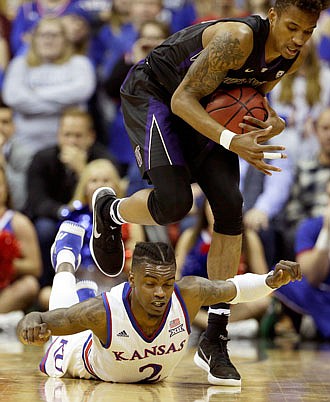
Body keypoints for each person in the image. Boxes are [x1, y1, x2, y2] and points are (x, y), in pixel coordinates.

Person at [89, 0, 326, 386]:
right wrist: (234, 140)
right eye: (293, 27)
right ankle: (110, 210)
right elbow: (183, 99)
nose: (298, 39)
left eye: (308, 31)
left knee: (231, 208)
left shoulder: (291, 56)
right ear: (273, 16)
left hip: (204, 108)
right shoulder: (237, 38)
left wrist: (271, 123)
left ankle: (215, 337)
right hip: (157, 94)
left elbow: (253, 98)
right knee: (175, 203)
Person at [17, 220, 301, 385]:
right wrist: (31, 322)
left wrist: (270, 281)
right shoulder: (102, 311)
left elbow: (234, 288)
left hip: (140, 371)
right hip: (80, 359)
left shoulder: (187, 293)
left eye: (167, 283)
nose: (160, 293)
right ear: (132, 279)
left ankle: (78, 276)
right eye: (150, 284)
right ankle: (66, 257)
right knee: (65, 318)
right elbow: (45, 320)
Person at [2, 16, 96, 210]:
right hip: (25, 147)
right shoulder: (20, 64)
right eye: (43, 35)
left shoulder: (79, 63)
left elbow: (82, 90)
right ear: (34, 39)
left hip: (67, 149)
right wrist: (62, 102)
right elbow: (13, 97)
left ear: (65, 39)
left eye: (55, 35)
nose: (48, 40)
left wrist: (32, 96)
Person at [24, 108, 116, 293]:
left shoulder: (102, 157)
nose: (72, 141)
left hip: (94, 216)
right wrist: (68, 212)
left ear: (91, 136)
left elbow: (113, 192)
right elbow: (37, 201)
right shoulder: (42, 158)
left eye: (78, 135)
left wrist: (83, 170)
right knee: (45, 229)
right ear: (58, 135)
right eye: (67, 135)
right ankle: (49, 286)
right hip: (55, 216)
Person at [37, 158, 145, 310]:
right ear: (84, 186)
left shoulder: (128, 218)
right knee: (45, 294)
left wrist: (120, 256)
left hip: (114, 284)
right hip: (78, 282)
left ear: (116, 185)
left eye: (106, 180)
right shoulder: (71, 216)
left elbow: (136, 257)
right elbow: (59, 257)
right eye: (94, 180)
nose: (100, 185)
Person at [276, 179, 330, 340]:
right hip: (320, 294)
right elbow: (311, 277)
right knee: (283, 277)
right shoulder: (311, 227)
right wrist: (326, 233)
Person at [0, 164, 41, 327]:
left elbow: (35, 267)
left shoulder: (18, 222)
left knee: (29, 285)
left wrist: (6, 263)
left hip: (7, 289)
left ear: (6, 188)